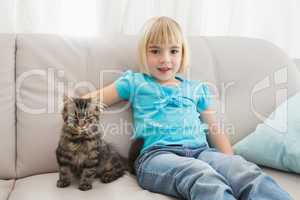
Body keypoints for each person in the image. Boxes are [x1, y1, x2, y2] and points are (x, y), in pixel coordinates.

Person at [83, 16, 292, 200]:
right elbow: (89, 102)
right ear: (143, 55)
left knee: (244, 171)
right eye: (156, 51)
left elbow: (214, 129)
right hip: (157, 157)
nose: (165, 59)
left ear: (182, 54)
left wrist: (230, 161)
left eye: (173, 51)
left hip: (201, 152)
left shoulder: (196, 88)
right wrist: (74, 105)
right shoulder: (134, 82)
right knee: (202, 175)